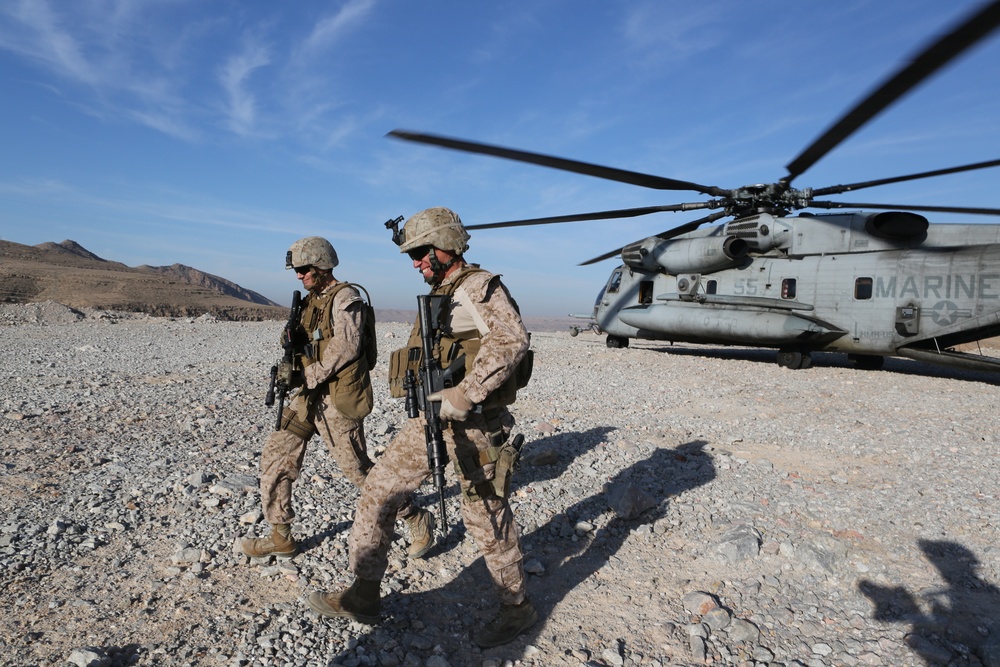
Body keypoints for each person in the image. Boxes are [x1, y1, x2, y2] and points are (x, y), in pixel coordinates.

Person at [306, 208, 537, 648]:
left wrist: (467, 392)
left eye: (419, 253)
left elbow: (511, 338)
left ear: (444, 246)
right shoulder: (444, 289)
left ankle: (517, 607)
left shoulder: (477, 285)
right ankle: (363, 594)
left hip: (474, 425)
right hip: (428, 421)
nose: (415, 264)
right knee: (379, 491)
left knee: (484, 516)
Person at [241, 236, 434, 561]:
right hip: (307, 397)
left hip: (337, 399)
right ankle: (281, 535)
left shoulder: (347, 297)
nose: (299, 276)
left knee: (359, 471)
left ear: (320, 265)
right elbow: (308, 342)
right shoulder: (310, 301)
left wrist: (310, 375)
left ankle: (415, 517)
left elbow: (347, 346)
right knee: (275, 460)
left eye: (303, 269)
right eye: (298, 271)